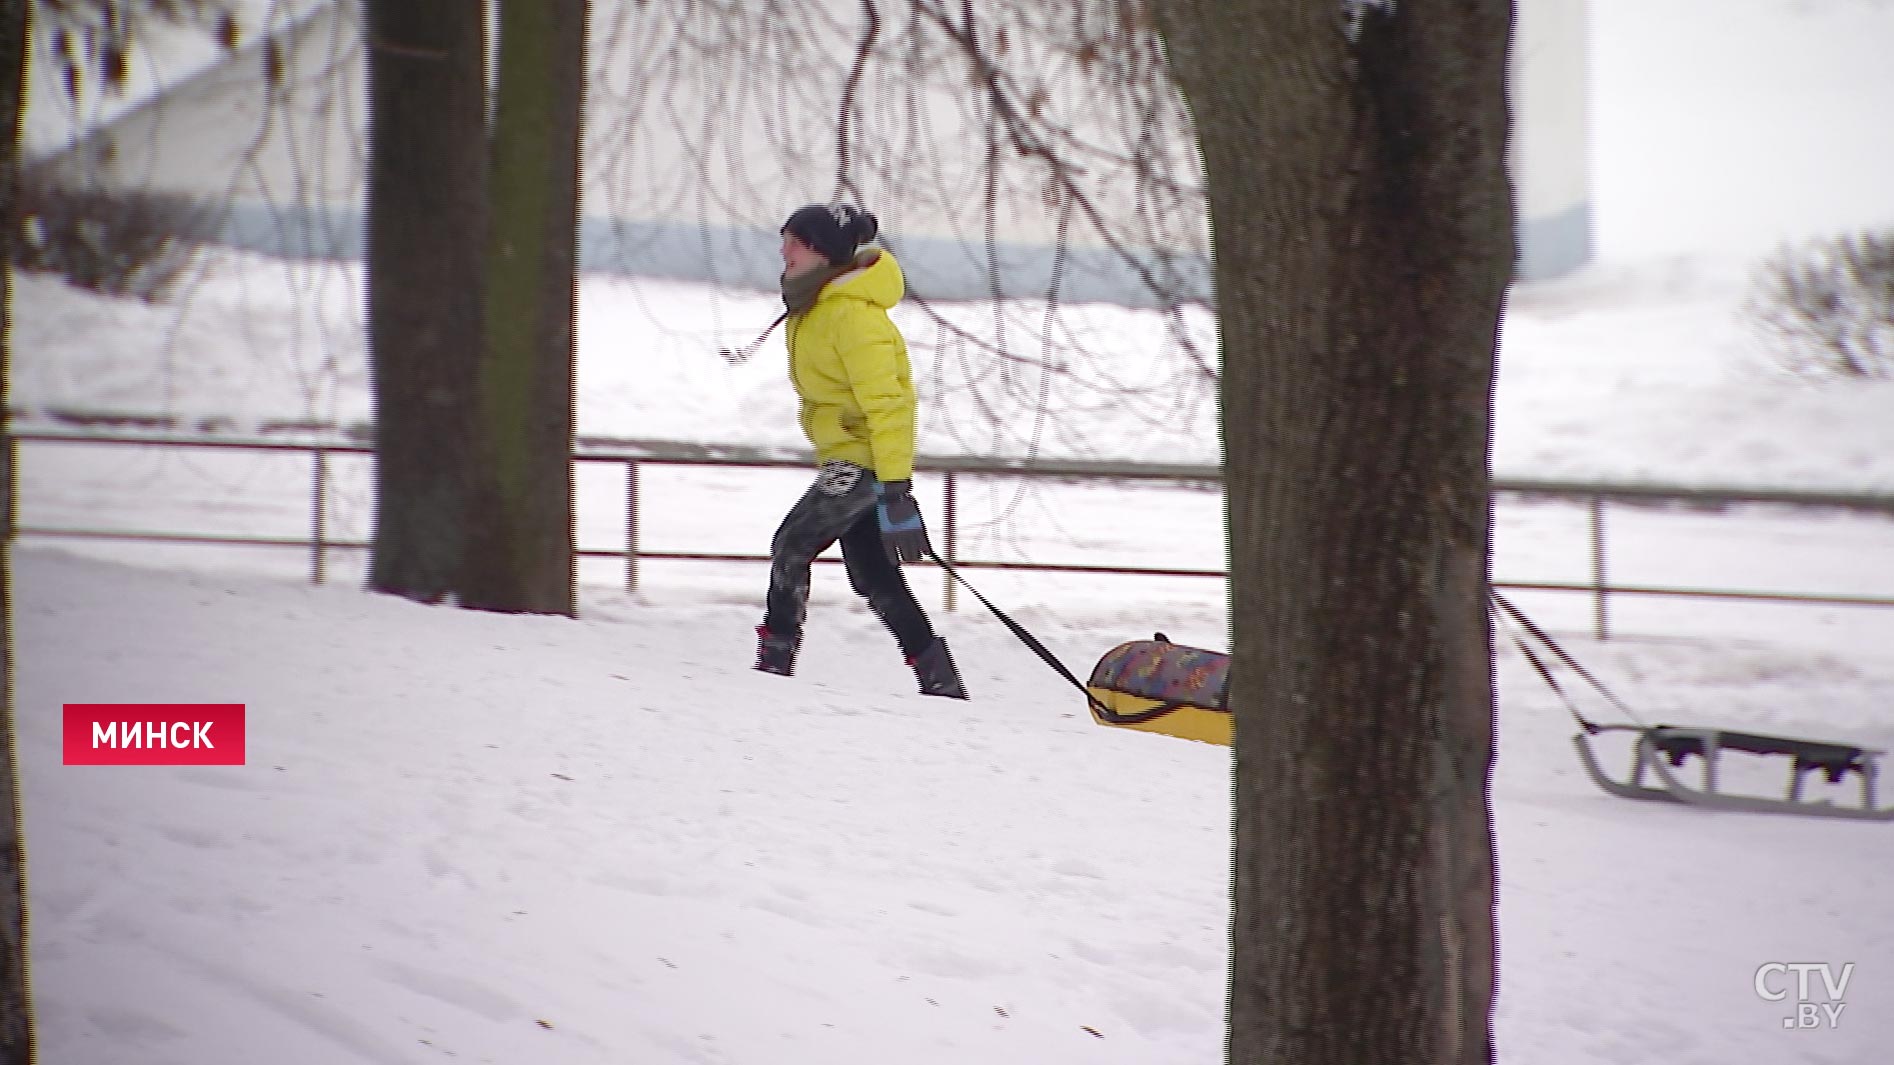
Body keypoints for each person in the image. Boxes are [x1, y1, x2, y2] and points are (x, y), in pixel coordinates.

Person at [752, 203, 968, 700]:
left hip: (863, 462)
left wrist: (895, 488)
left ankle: (773, 663)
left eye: (796, 243)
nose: (784, 251)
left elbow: (891, 405)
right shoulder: (816, 306)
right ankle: (940, 679)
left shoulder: (851, 315)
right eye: (784, 238)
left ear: (825, 253)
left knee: (791, 545)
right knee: (872, 575)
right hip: (847, 458)